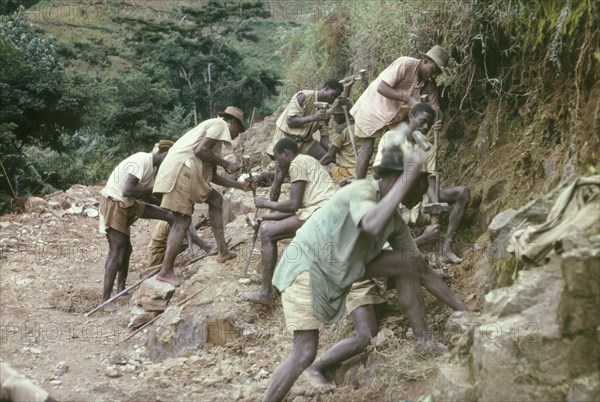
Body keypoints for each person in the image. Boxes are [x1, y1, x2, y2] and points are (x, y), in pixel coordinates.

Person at [263, 146, 468, 401]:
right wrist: (407, 178)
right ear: (400, 179)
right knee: (304, 353)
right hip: (306, 268)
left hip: (340, 269)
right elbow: (371, 224)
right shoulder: (362, 190)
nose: (424, 190)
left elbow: (422, 270)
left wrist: (465, 311)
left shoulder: (393, 220)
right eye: (421, 182)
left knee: (408, 263)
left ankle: (423, 339)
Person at [152, 106, 255, 287]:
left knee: (216, 200)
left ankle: (222, 250)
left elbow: (212, 176)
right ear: (232, 123)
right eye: (238, 130)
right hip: (181, 171)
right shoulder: (219, 124)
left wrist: (240, 186)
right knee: (182, 221)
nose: (237, 135)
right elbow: (200, 151)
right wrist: (226, 163)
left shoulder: (214, 141)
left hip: (186, 171)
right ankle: (165, 271)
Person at [241, 138, 335, 305]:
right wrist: (265, 216)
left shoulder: (297, 164)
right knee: (270, 229)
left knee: (267, 234)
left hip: (320, 213)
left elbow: (293, 204)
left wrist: (265, 203)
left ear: (286, 153)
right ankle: (271, 286)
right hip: (321, 211)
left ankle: (265, 293)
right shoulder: (307, 160)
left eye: (278, 159)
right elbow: (298, 210)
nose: (278, 164)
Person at [374, 103, 470, 264]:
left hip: (419, 202)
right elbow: (378, 173)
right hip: (392, 202)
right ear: (411, 117)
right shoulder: (390, 138)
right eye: (422, 121)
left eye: (429, 124)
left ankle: (446, 248)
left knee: (463, 192)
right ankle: (414, 239)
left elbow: (430, 180)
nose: (426, 127)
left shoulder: (428, 147)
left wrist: (435, 202)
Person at [350, 45, 449, 179]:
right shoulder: (405, 64)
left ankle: (389, 181)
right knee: (367, 149)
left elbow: (435, 107)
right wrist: (408, 98)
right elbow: (382, 87)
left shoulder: (430, 84)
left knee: (403, 144)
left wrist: (439, 119)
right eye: (433, 70)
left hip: (397, 116)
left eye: (437, 73)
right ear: (425, 60)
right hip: (375, 106)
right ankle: (359, 185)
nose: (434, 75)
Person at [98, 140, 175, 311]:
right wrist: (153, 190)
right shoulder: (142, 160)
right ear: (165, 154)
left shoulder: (152, 169)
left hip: (126, 203)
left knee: (128, 248)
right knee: (117, 249)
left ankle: (120, 289)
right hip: (115, 201)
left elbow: (148, 197)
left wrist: (168, 203)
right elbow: (128, 190)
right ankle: (104, 300)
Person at [267, 79, 343, 201]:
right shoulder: (303, 96)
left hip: (304, 141)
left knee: (331, 158)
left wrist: (336, 150)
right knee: (280, 175)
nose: (333, 99)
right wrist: (314, 117)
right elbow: (291, 121)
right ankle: (272, 206)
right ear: (326, 88)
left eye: (336, 97)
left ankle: (319, 193)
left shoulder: (325, 111)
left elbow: (324, 138)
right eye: (333, 95)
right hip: (286, 138)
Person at [319, 97, 361, 184]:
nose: (334, 118)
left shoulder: (341, 130)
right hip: (362, 168)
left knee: (325, 168)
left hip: (349, 171)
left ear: (341, 115)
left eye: (335, 116)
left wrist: (317, 166)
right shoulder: (360, 123)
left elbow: (330, 156)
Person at [146, 220, 215, 267]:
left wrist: (198, 225)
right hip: (158, 255)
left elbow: (187, 231)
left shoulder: (173, 215)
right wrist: (205, 246)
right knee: (186, 243)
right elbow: (187, 233)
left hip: (160, 250)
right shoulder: (172, 219)